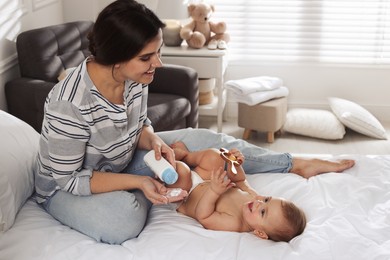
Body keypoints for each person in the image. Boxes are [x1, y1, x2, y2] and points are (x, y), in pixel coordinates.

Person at [34, 0, 355, 245]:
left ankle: (294, 163)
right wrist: (141, 182)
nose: (157, 64)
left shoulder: (134, 80)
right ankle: (152, 192)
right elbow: (69, 180)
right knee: (123, 220)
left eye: (157, 52)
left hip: (121, 159)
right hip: (67, 186)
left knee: (205, 141)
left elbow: (139, 124)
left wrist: (155, 142)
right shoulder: (69, 104)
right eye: (147, 58)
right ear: (117, 58)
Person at [164, 142, 306, 242]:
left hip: (187, 195)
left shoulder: (234, 223)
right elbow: (240, 181)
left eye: (263, 212)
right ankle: (187, 155)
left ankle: (174, 161)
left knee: (181, 171)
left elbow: (204, 216)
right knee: (215, 156)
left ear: (260, 233)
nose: (259, 202)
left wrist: (214, 191)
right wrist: (235, 165)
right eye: (267, 199)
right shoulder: (253, 197)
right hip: (206, 179)